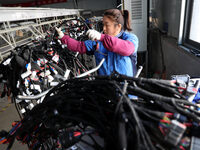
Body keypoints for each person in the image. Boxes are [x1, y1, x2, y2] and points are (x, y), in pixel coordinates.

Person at [56, 9, 139, 77]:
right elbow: (79, 46)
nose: (104, 28)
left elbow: (127, 49)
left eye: (107, 25)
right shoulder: (98, 42)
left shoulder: (130, 38)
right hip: (105, 90)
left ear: (118, 26)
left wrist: (102, 37)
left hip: (127, 90)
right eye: (103, 24)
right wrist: (63, 37)